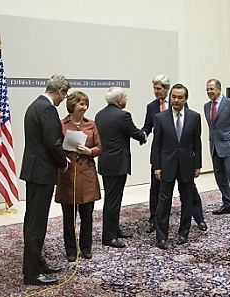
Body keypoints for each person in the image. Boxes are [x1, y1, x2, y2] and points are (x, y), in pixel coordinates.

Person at [19, 74, 71, 286]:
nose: (63, 100)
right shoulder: (48, 109)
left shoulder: (34, 105)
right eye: (64, 95)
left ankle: (37, 261)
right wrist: (63, 162)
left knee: (32, 218)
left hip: (33, 170)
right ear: (60, 91)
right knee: (37, 223)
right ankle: (31, 273)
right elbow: (53, 142)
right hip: (41, 172)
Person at [141, 76, 207, 233]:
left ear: (166, 88)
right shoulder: (152, 107)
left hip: (184, 160)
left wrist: (197, 164)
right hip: (163, 157)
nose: (156, 92)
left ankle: (198, 219)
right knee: (158, 191)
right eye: (154, 89)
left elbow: (193, 137)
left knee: (190, 193)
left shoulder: (188, 111)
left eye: (159, 88)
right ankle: (154, 221)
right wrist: (142, 134)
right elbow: (148, 127)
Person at [95, 87, 146, 248]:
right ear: (119, 100)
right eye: (125, 97)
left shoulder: (99, 115)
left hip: (105, 162)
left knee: (112, 198)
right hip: (117, 164)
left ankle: (114, 229)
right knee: (113, 200)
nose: (126, 99)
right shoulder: (123, 116)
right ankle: (109, 236)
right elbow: (136, 133)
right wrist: (143, 135)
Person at [152, 84, 202, 249]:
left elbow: (197, 143)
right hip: (167, 165)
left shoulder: (194, 117)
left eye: (180, 97)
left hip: (187, 165)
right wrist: (157, 166)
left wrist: (198, 165)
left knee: (187, 200)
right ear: (170, 97)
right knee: (164, 201)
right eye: (173, 96)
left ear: (186, 99)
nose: (176, 100)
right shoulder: (160, 118)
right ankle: (161, 236)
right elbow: (156, 145)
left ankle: (183, 233)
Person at [55, 91, 102, 262]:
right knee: (69, 217)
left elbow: (99, 147)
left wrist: (89, 151)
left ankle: (86, 247)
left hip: (87, 174)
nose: (84, 107)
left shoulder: (91, 124)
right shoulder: (61, 124)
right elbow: (55, 147)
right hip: (68, 174)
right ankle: (71, 250)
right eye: (81, 104)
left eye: (85, 104)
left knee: (87, 215)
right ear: (72, 106)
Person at [204, 79, 230, 221]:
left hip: (229, 145)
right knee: (219, 176)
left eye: (212, 89)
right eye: (207, 89)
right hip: (214, 146)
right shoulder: (206, 107)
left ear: (219, 89)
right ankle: (227, 203)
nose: (210, 92)